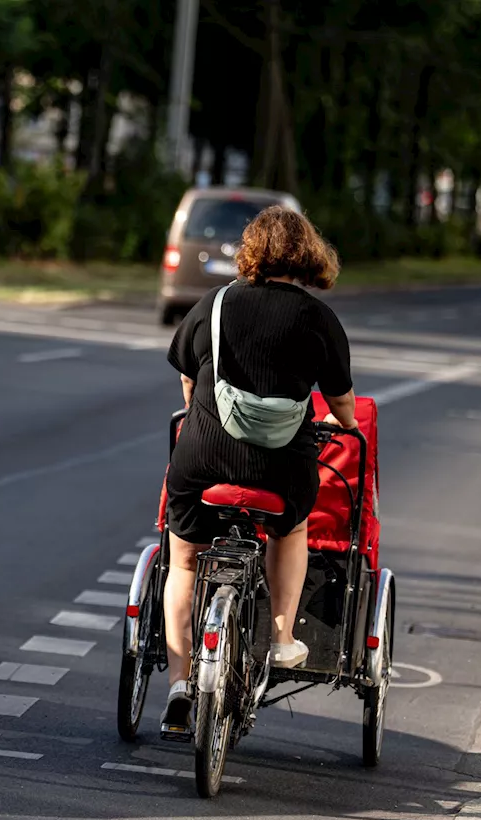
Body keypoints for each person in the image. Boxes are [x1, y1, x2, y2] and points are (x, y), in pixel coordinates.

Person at [160, 205, 358, 730]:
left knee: (182, 562)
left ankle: (180, 682)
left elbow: (186, 382)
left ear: (251, 251)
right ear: (308, 256)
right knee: (291, 530)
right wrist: (348, 422)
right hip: (279, 469)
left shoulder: (214, 304)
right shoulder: (318, 318)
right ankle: (283, 637)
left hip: (201, 458)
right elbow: (341, 405)